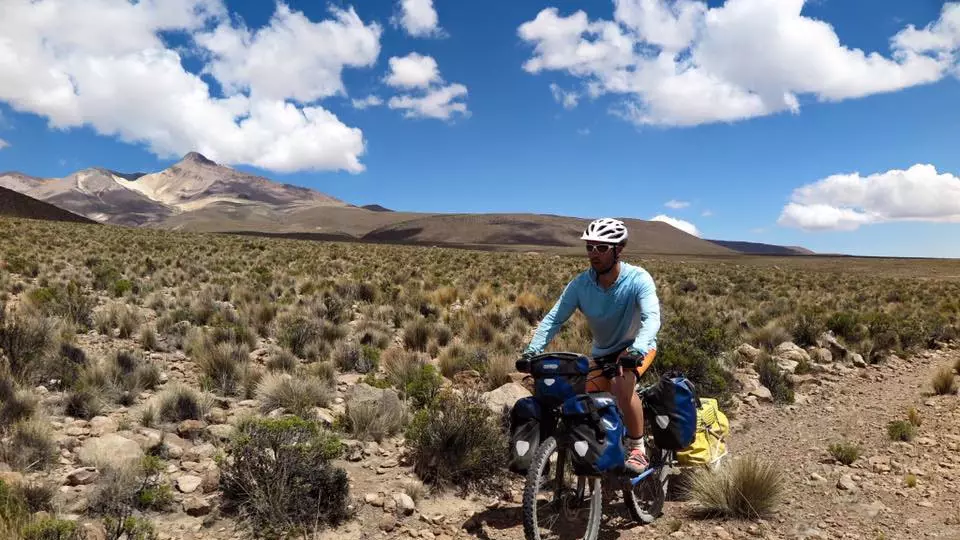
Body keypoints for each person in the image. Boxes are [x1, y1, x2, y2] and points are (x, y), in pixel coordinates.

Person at [522, 217, 661, 473]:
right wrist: (532, 350)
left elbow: (651, 318)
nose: (593, 253)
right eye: (589, 247)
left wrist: (637, 350)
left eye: (601, 247)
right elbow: (555, 318)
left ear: (618, 249)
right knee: (578, 398)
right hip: (602, 353)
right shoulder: (581, 285)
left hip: (637, 348)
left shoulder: (638, 279)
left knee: (621, 383)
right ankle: (596, 451)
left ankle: (638, 448)